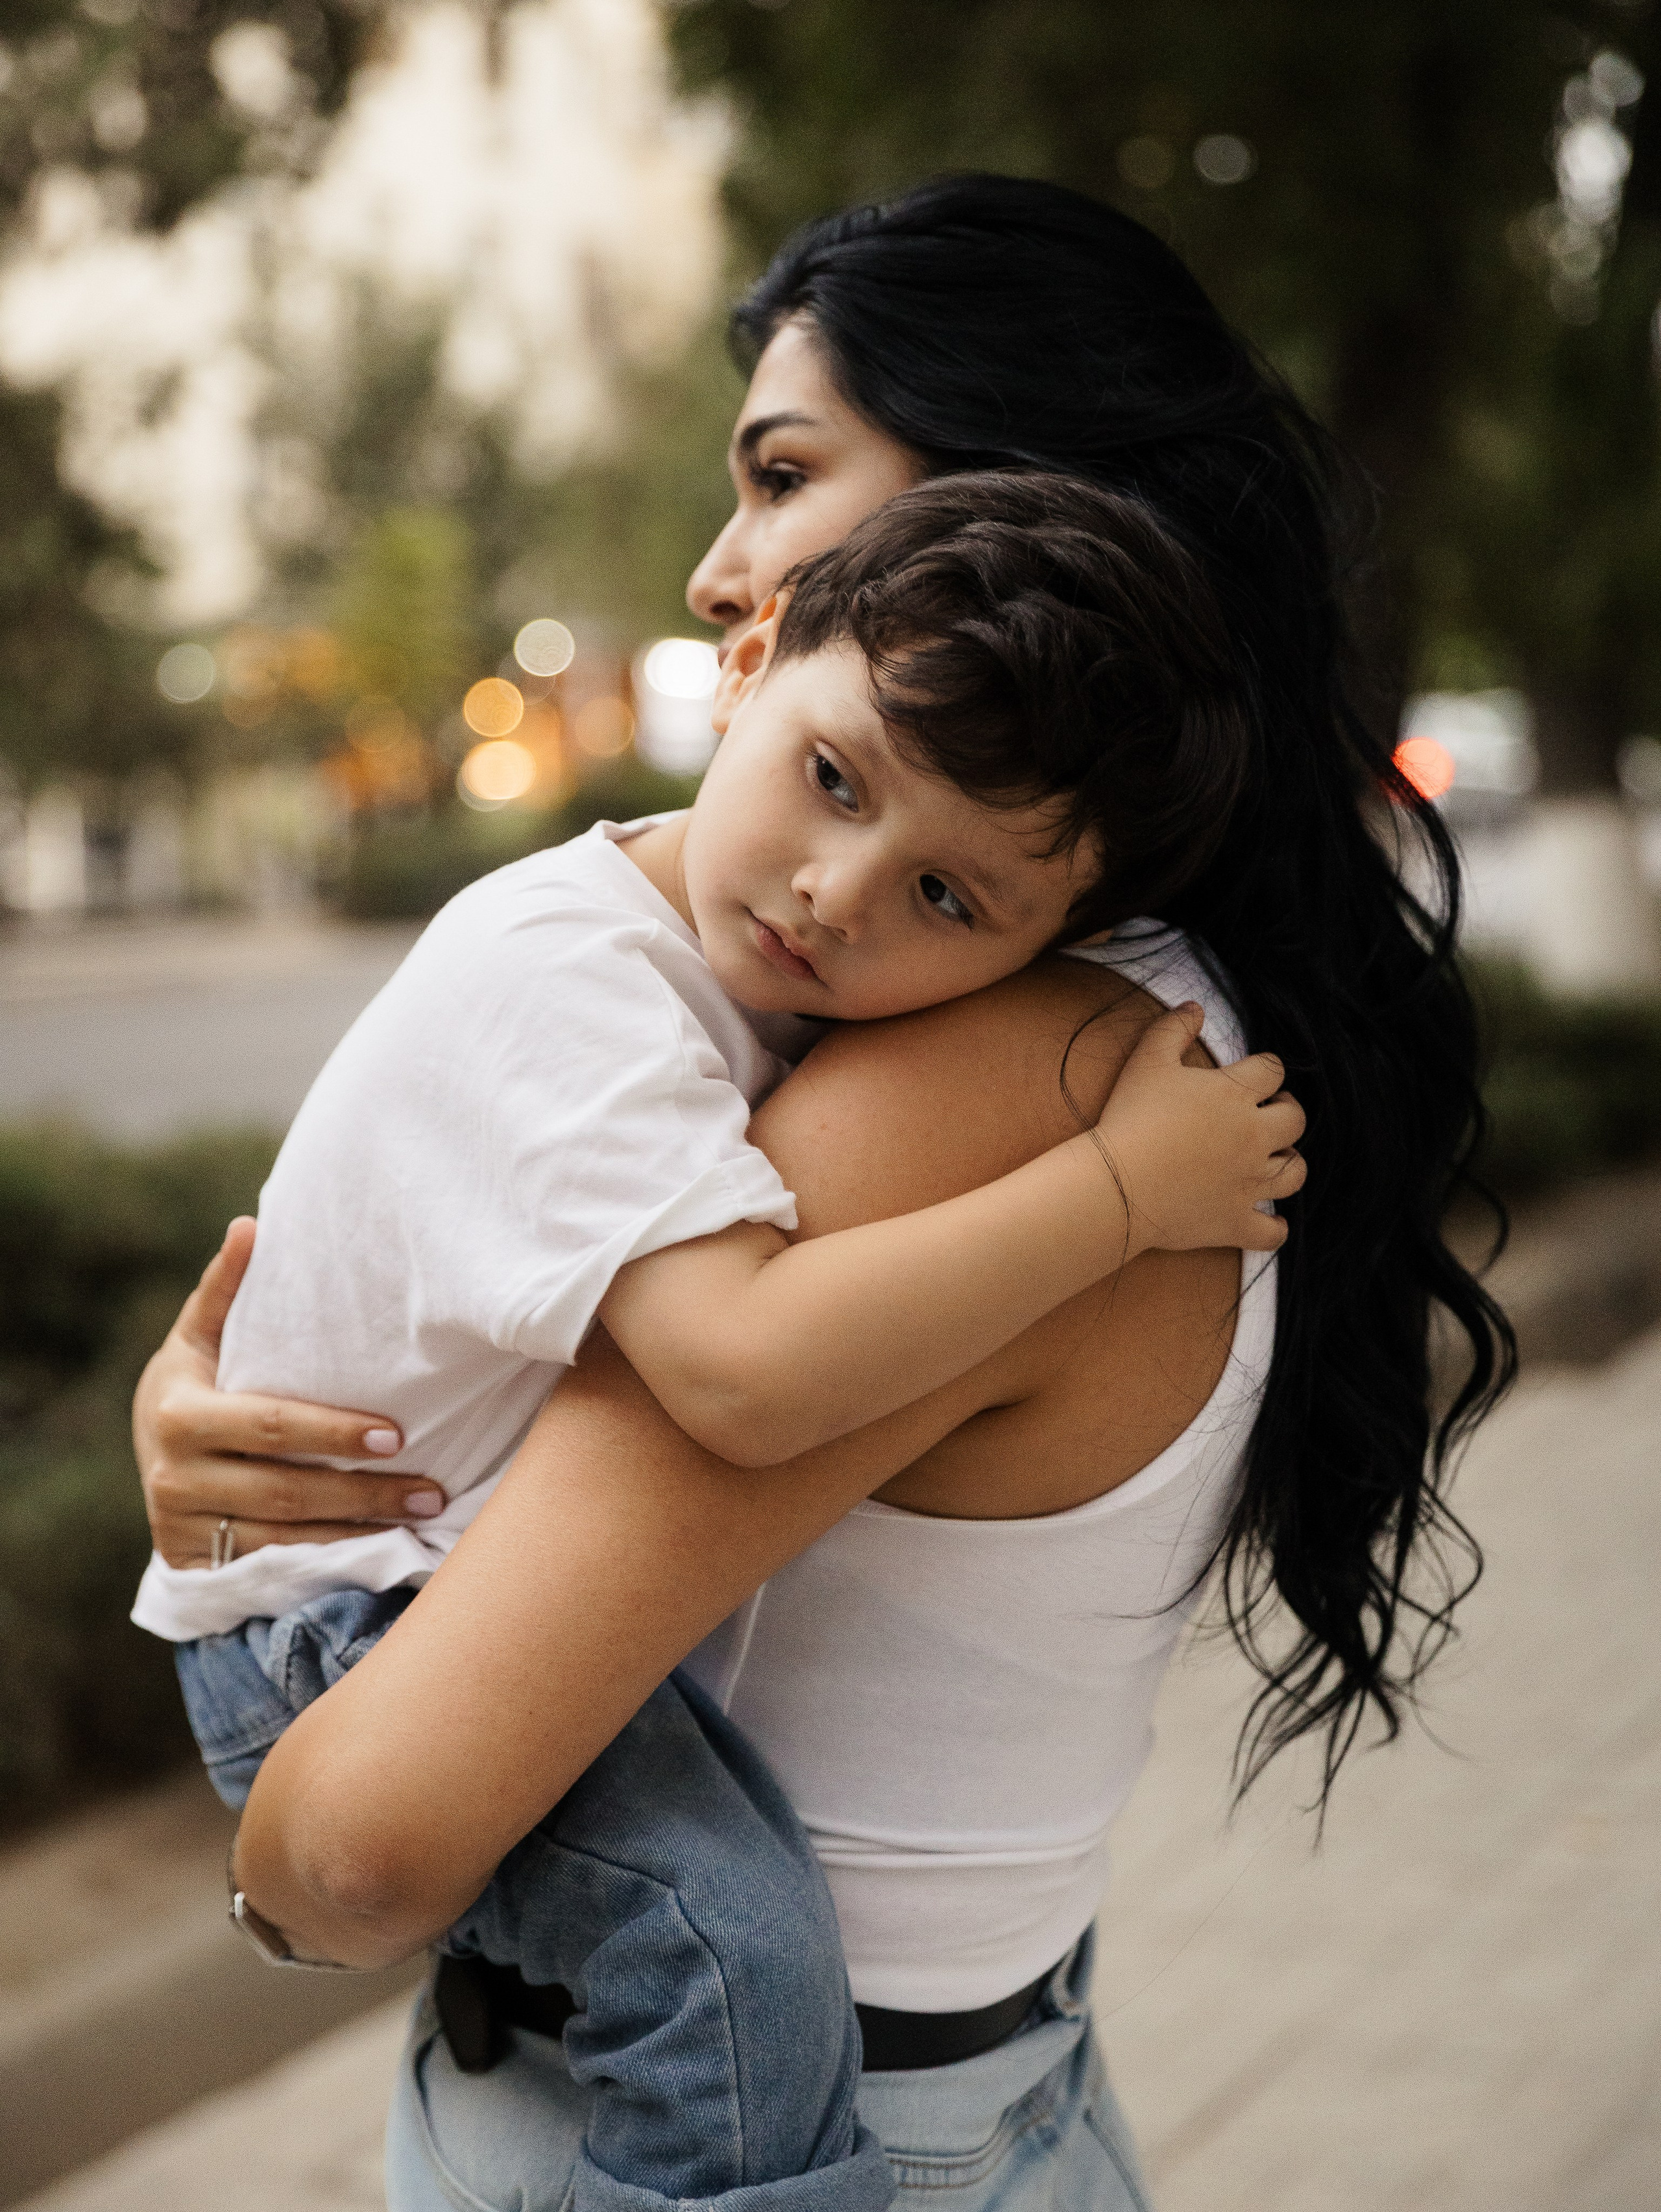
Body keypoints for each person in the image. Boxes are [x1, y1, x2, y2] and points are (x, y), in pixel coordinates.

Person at [132, 176, 1512, 2209]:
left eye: (784, 477)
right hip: (997, 2097)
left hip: (729, 2124)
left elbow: (364, 1837)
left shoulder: (991, 1078)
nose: (717, 574)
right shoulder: (1085, 997)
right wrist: (252, 1457)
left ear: (1018, 499)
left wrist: (283, 1882)